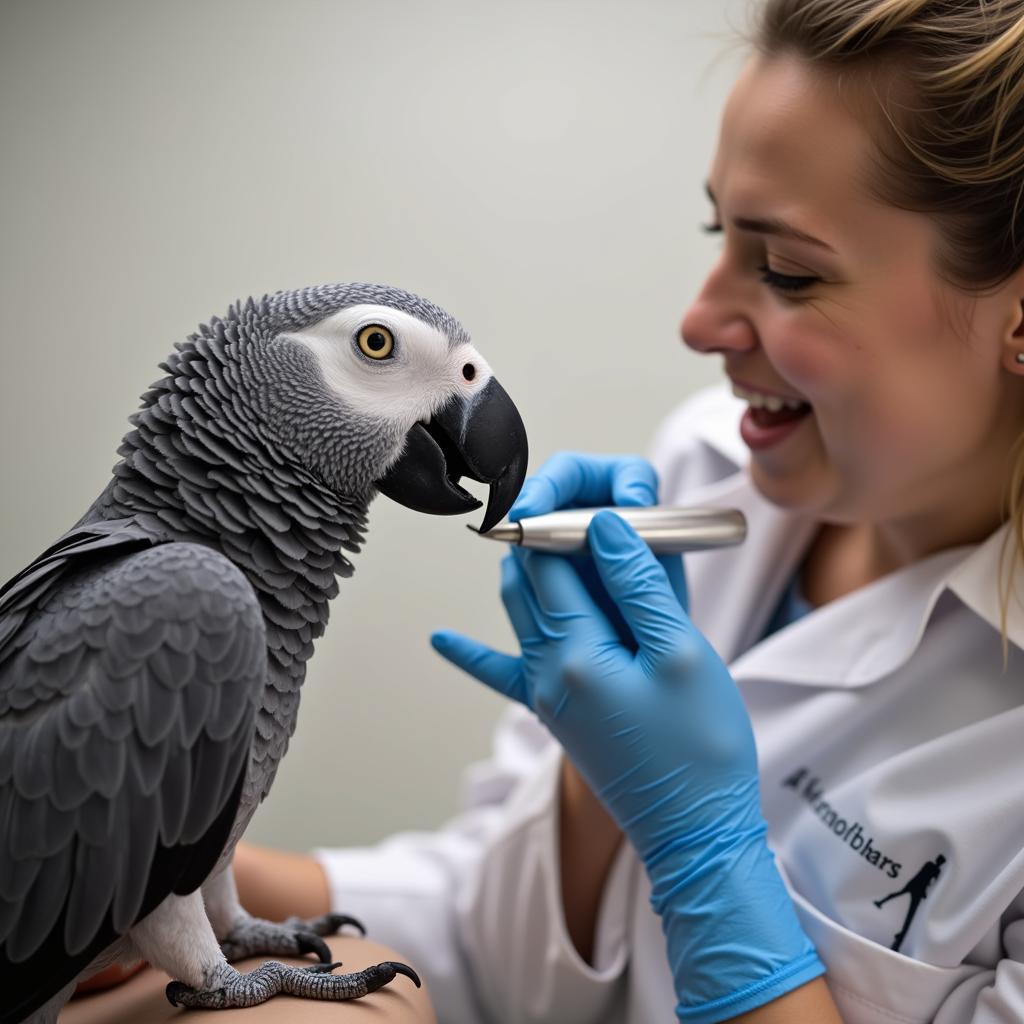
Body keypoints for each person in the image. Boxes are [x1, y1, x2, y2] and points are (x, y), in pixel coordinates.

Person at [234, 0, 1024, 1020]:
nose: (698, 323)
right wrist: (154, 872)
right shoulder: (710, 462)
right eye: (719, 233)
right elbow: (483, 934)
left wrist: (699, 847)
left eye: (788, 269)